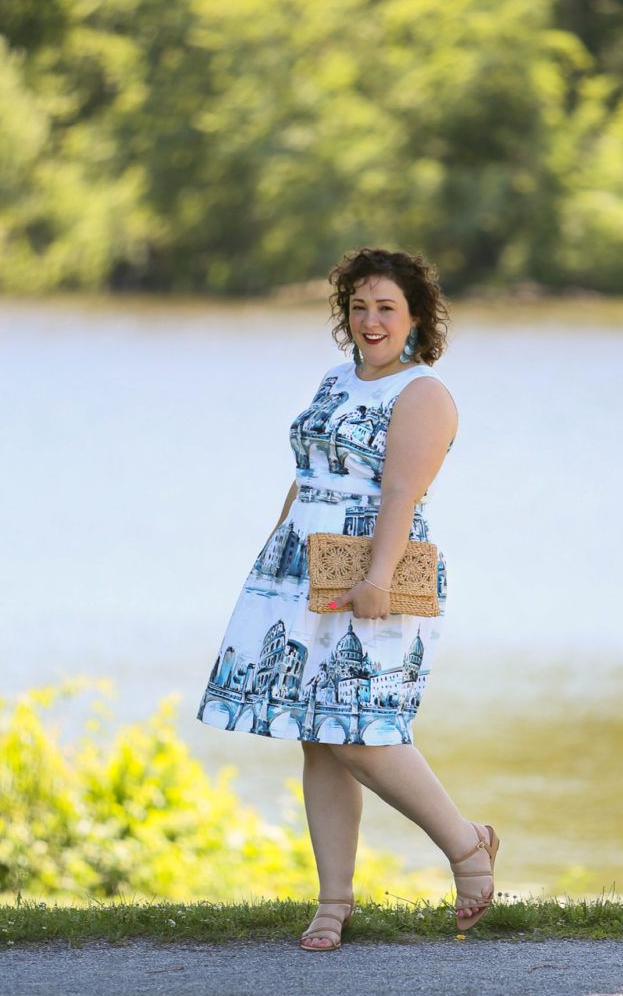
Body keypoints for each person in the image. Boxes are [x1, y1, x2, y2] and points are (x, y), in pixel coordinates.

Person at [197, 247, 499, 950]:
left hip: (375, 573)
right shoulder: (335, 381)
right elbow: (307, 477)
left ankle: (466, 846)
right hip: (300, 570)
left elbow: (399, 493)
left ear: (417, 317)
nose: (370, 321)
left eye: (386, 307)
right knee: (320, 738)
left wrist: (377, 580)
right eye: (359, 307)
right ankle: (333, 902)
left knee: (362, 733)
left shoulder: (424, 393)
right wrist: (272, 557)